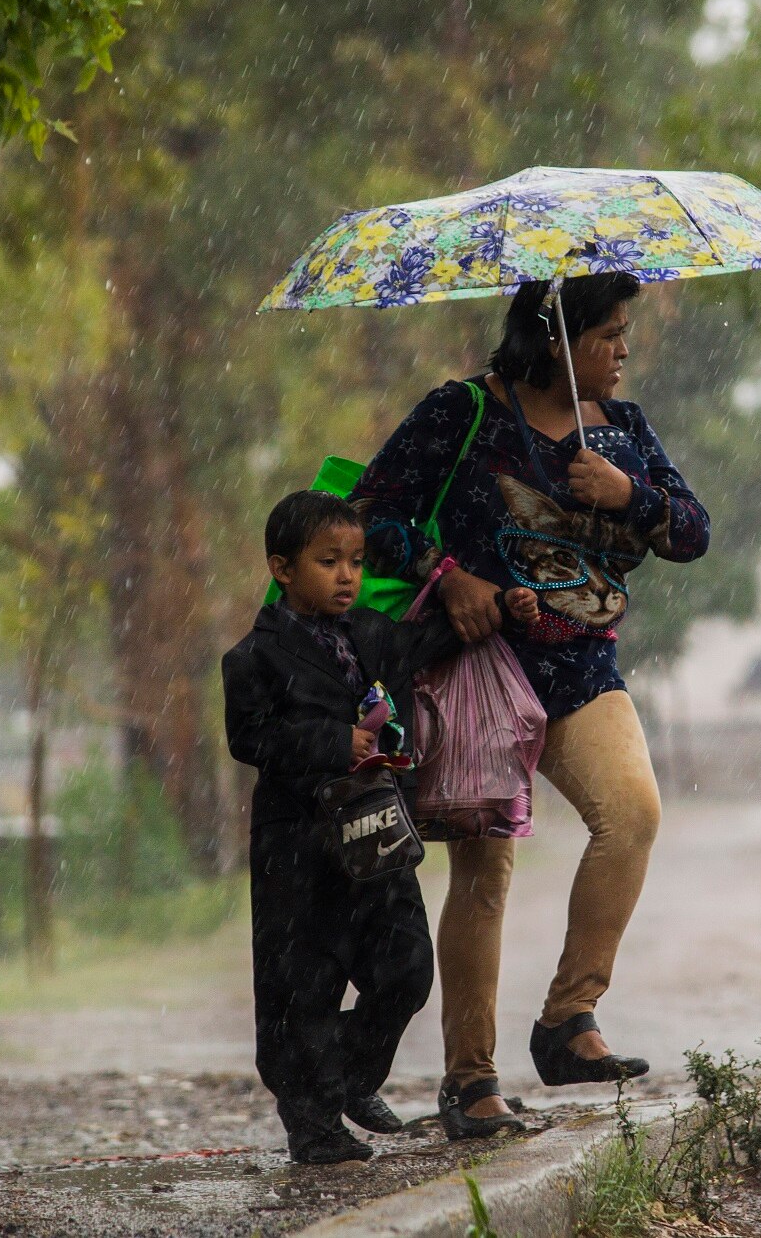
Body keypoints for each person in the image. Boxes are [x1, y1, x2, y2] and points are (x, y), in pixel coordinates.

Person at [351, 272, 711, 1139]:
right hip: (483, 668)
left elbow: (691, 532)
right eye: (609, 335)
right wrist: (451, 576)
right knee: (484, 875)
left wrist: (630, 496)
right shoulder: (463, 413)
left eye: (625, 334)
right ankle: (469, 1083)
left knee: (631, 817)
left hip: (583, 666)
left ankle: (565, 1022)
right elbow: (368, 514)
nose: (624, 350)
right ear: (557, 338)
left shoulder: (620, 433)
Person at [221, 490, 535, 1162]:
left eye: (356, 562)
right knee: (302, 983)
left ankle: (346, 1078)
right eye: (328, 561)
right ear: (282, 569)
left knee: (406, 968)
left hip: (378, 835)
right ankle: (313, 1127)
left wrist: (502, 609)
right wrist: (335, 743)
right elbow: (250, 739)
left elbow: (431, 638)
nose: (347, 575)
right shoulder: (253, 658)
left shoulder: (370, 634)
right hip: (299, 847)